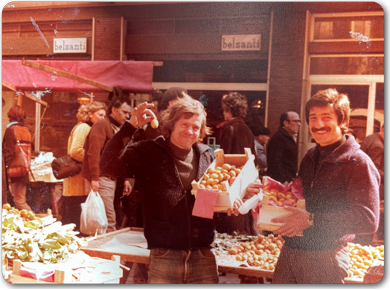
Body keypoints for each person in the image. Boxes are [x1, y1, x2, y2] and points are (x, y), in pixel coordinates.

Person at [242, 88, 380, 284]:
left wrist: (312, 220)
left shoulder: (358, 162)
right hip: (290, 252)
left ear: (343, 121)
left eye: (326, 117)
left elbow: (368, 220)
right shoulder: (311, 156)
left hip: (324, 258)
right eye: (313, 118)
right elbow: (301, 197)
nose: (318, 124)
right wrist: (270, 192)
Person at [104, 98, 218, 284]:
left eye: (195, 127)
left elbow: (206, 203)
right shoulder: (148, 152)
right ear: (172, 124)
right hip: (165, 255)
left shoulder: (205, 155)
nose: (190, 131)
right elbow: (108, 166)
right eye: (184, 124)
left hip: (203, 255)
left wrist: (231, 202)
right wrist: (130, 127)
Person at [82, 89, 132, 233]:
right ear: (114, 110)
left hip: (113, 179)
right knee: (107, 218)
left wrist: (125, 179)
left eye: (129, 113)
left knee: (109, 216)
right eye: (124, 112)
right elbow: (93, 153)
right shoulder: (102, 125)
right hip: (103, 177)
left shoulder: (118, 128)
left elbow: (120, 156)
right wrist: (95, 178)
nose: (127, 116)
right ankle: (106, 250)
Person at [215, 92, 257, 236]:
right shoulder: (248, 129)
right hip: (245, 179)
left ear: (228, 109)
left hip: (231, 177)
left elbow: (223, 159)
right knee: (242, 214)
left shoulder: (229, 128)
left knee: (229, 215)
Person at [61, 101, 106, 231]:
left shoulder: (87, 127)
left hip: (79, 182)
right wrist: (92, 161)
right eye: (100, 115)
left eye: (104, 116)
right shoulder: (84, 128)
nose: (103, 118)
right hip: (77, 182)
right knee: (74, 220)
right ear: (90, 114)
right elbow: (75, 151)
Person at [355, 123, 384, 243]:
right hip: (369, 186)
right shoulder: (379, 145)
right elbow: (373, 170)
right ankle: (375, 239)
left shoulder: (371, 137)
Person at [2, 105, 32, 211]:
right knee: (20, 200)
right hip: (23, 172)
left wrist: (4, 170)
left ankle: (35, 222)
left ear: (10, 116)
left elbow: (8, 153)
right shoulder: (26, 131)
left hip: (13, 172)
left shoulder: (11, 130)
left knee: (19, 202)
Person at [266, 111, 301, 184]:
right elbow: (274, 162)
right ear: (285, 123)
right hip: (281, 183)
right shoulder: (279, 138)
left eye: (299, 121)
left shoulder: (286, 137)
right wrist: (284, 181)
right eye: (295, 121)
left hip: (287, 181)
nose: (299, 124)